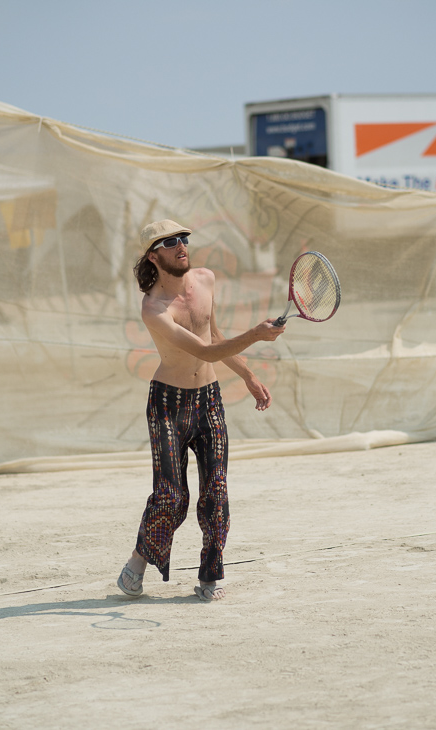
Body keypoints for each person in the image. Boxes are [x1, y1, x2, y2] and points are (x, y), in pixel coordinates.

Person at [117, 219, 285, 601]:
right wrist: (257, 335)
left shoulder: (206, 280)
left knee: (217, 491)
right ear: (153, 256)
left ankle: (210, 576)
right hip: (167, 405)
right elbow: (204, 351)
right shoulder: (153, 307)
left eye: (184, 238)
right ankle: (139, 561)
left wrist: (248, 375)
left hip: (208, 399)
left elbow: (215, 337)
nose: (181, 246)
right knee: (171, 497)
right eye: (170, 242)